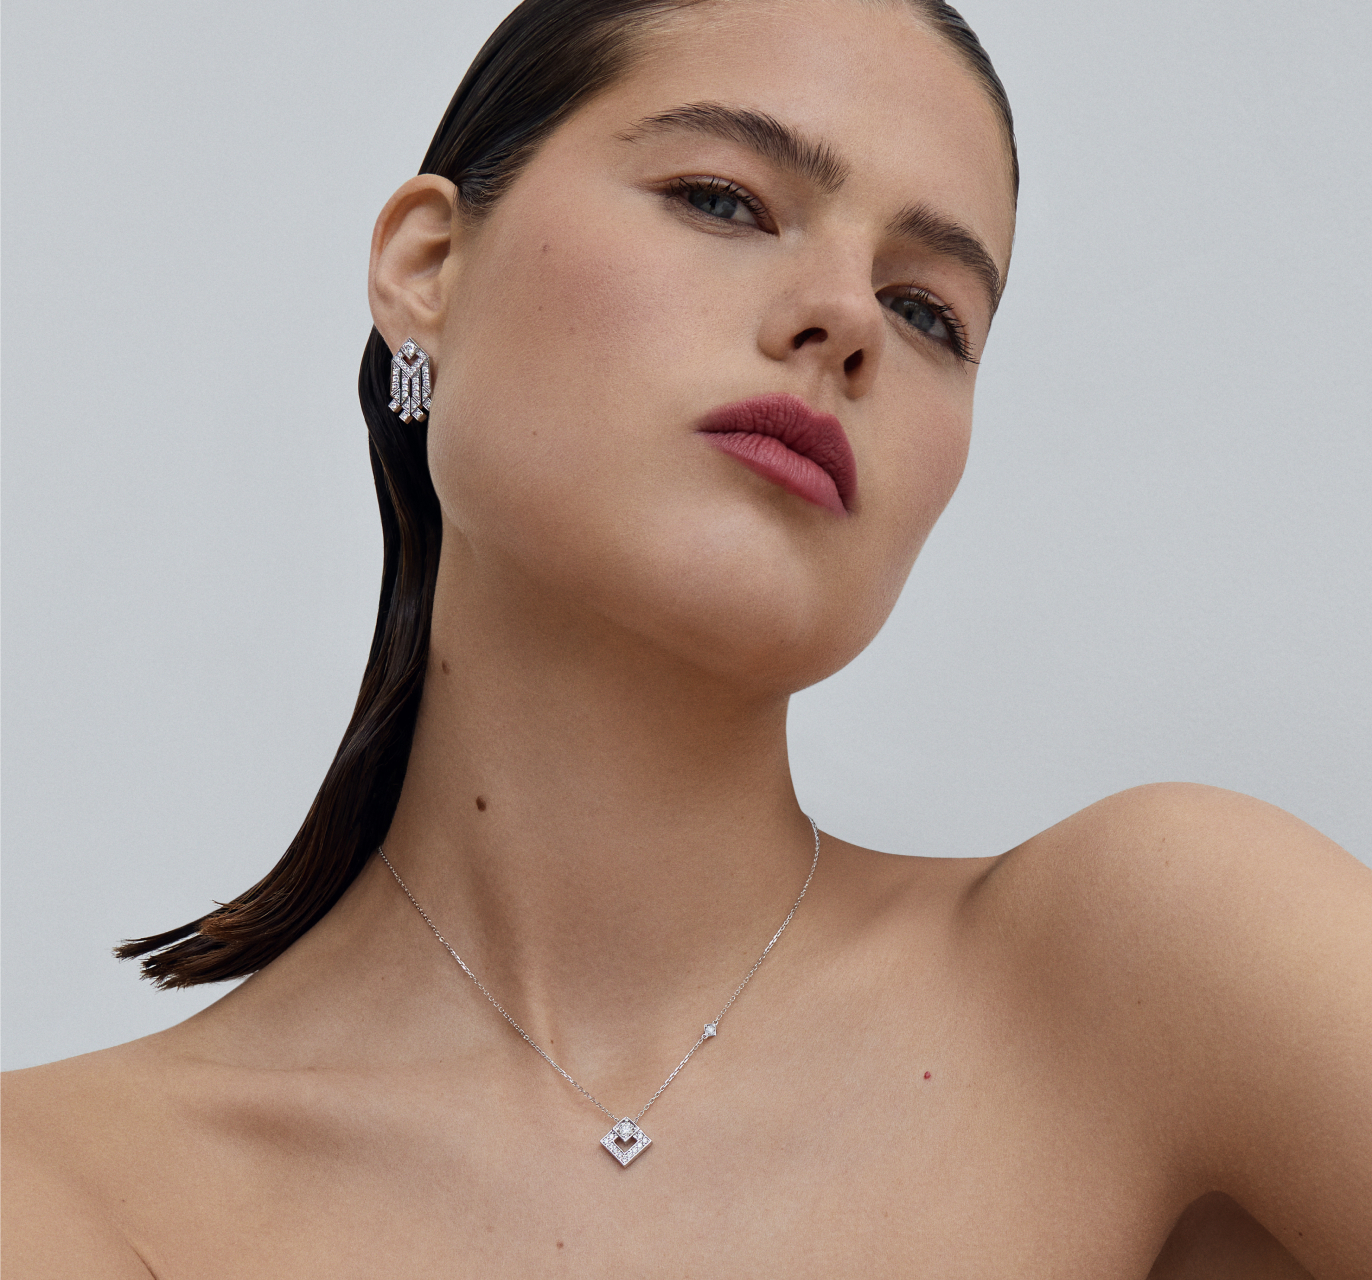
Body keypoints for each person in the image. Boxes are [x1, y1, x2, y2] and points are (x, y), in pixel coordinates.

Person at [4, 0, 1368, 1274]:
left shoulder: (1148, 973)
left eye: (928, 311)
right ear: (428, 267)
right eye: (723, 199)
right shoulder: (61, 1193)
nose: (847, 318)